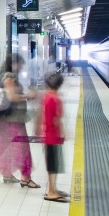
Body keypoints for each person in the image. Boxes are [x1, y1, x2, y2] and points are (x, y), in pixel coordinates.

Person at [0, 53, 40, 189]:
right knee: (22, 148)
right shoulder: (9, 77)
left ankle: (7, 175)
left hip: (5, 120)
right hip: (12, 120)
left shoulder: (4, 75)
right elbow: (12, 97)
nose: (21, 67)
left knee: (6, 147)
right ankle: (26, 178)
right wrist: (28, 96)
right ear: (13, 64)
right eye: (19, 64)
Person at [40, 72, 68, 202]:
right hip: (53, 136)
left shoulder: (47, 96)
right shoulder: (55, 99)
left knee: (53, 165)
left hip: (49, 135)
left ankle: (53, 188)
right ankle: (51, 191)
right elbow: (56, 119)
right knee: (52, 166)